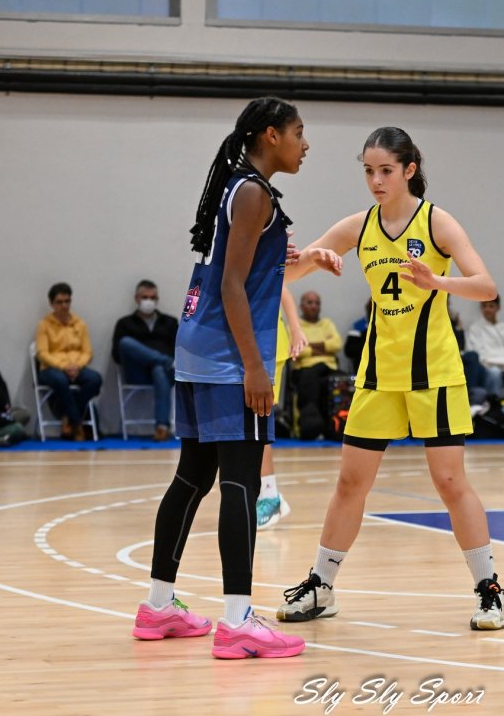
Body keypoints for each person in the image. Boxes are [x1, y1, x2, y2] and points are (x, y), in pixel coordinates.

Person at [276, 126, 504, 631]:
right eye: (368, 171)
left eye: (385, 170)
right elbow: (284, 277)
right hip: (379, 374)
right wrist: (312, 258)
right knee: (349, 482)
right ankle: (322, 586)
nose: (376, 181)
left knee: (450, 482)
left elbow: (486, 285)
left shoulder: (437, 222)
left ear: (409, 170)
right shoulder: (358, 226)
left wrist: (436, 280)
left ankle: (489, 590)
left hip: (434, 372)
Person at [133, 96, 331, 659]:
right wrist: (254, 366)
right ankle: (239, 620)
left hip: (199, 347)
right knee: (241, 482)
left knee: (192, 477)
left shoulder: (240, 188)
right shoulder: (253, 193)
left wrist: (310, 258)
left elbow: (250, 272)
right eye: (298, 132)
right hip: (227, 355)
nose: (305, 144)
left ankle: (158, 605)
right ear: (270, 135)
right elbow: (232, 285)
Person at [258, 286, 307, 530]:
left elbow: (281, 285)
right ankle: (261, 493)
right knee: (246, 426)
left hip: (267, 347)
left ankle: (269, 496)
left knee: (258, 422)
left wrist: (296, 329)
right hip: (243, 344)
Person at [111, 279, 178, 441]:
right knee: (126, 342)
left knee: (158, 369)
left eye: (152, 297)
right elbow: (117, 355)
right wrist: (151, 358)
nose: (149, 301)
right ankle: (164, 361)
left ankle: (162, 427)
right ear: (137, 299)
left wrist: (156, 361)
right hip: (137, 372)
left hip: (166, 374)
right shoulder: (125, 323)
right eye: (145, 297)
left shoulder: (170, 322)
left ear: (157, 299)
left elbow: (180, 349)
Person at [35, 282, 103, 441]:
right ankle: (77, 424)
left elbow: (87, 352)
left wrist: (77, 366)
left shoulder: (80, 324)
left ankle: (68, 418)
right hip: (51, 368)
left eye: (67, 301)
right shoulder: (44, 325)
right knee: (60, 380)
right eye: (59, 302)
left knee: (95, 379)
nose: (64, 305)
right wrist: (63, 366)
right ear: (51, 303)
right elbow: (42, 353)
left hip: (76, 367)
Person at [290, 290, 343, 440]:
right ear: (301, 306)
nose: (314, 306)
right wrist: (324, 347)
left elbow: (337, 344)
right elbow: (295, 350)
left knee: (345, 381)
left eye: (317, 303)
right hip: (304, 369)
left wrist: (309, 346)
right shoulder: (295, 325)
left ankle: (337, 428)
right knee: (310, 381)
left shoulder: (327, 324)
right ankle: (310, 427)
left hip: (329, 368)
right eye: (310, 302)